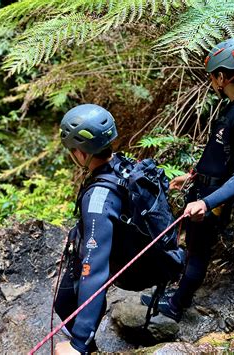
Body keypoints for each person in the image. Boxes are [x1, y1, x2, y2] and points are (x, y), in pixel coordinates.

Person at [146, 38, 234, 322]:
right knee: (191, 247)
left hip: (214, 201)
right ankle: (172, 295)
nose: (212, 82)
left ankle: (177, 306)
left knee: (199, 251)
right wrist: (191, 177)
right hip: (203, 190)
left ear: (223, 76)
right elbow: (220, 152)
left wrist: (206, 202)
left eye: (213, 76)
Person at [54, 104, 182, 355]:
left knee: (68, 301)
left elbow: (95, 272)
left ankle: (84, 346)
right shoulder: (124, 165)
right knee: (65, 300)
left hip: (125, 263)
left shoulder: (99, 199)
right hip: (139, 251)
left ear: (80, 154)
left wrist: (78, 344)